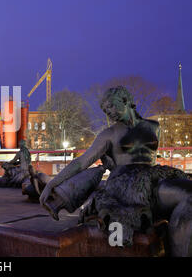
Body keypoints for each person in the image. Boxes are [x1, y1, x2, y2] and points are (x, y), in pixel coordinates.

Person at [39, 86, 192, 256]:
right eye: (105, 110)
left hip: (151, 180)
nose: (108, 112)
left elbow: (152, 159)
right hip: (124, 186)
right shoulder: (109, 134)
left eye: (111, 106)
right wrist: (52, 183)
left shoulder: (154, 126)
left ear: (125, 101)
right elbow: (81, 162)